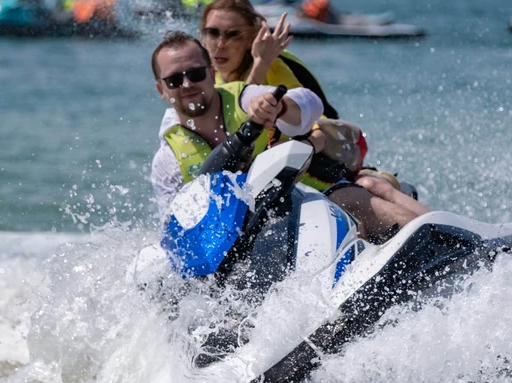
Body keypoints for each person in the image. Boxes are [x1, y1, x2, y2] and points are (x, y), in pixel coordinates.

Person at [150, 33, 427, 243]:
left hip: (313, 196)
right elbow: (172, 228)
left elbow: (309, 103)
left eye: (195, 74)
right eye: (175, 80)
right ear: (161, 90)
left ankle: (437, 238)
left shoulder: (245, 96)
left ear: (211, 74)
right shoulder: (167, 159)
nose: (187, 85)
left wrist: (281, 106)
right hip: (250, 238)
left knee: (356, 199)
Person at [199, 0, 338, 118]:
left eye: (233, 35)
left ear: (250, 40)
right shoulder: (201, 76)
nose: (220, 44)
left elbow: (314, 120)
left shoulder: (273, 67)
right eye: (212, 33)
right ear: (202, 38)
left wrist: (261, 64)